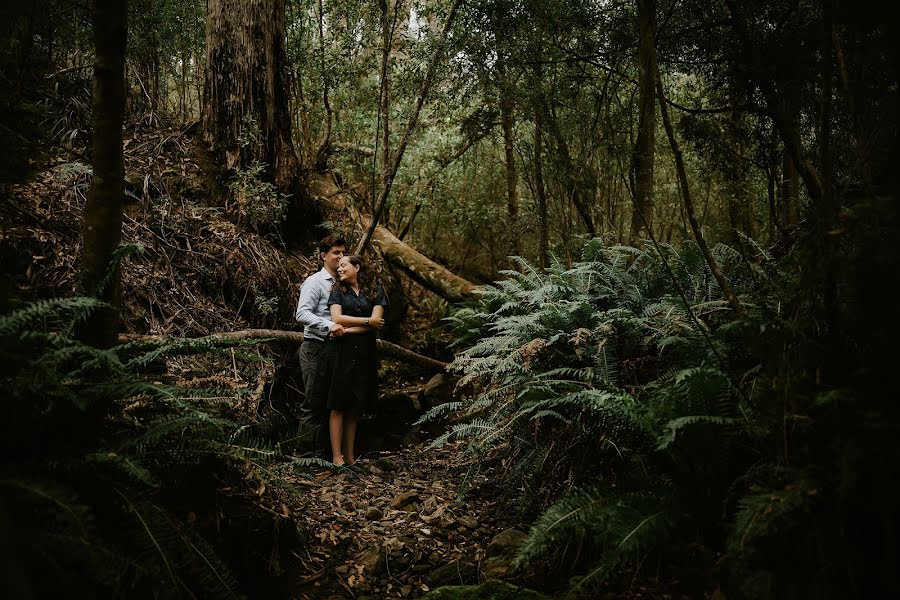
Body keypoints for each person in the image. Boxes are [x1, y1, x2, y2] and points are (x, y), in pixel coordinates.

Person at [325, 254, 387, 466]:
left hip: (365, 353)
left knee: (355, 406)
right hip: (342, 353)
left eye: (344, 266)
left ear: (357, 267)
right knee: (338, 403)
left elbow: (377, 322)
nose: (339, 269)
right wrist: (367, 321)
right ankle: (336, 458)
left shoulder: (375, 289)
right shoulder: (337, 291)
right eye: (338, 266)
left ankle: (350, 457)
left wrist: (350, 330)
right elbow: (337, 318)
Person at [294, 234, 347, 453]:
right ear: (324, 256)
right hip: (314, 347)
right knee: (313, 402)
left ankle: (324, 455)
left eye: (343, 252)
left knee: (332, 402)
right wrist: (328, 326)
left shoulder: (344, 283)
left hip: (336, 350)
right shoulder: (314, 282)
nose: (341, 256)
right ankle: (303, 456)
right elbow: (302, 314)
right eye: (336, 253)